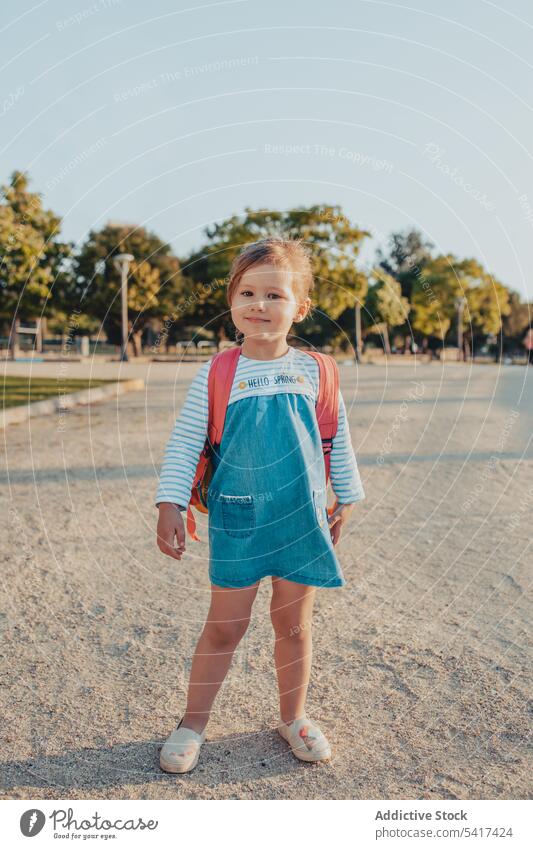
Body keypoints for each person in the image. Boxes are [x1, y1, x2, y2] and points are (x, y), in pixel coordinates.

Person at [155, 238, 366, 773]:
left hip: (300, 517)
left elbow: (337, 437)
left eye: (275, 294)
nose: (259, 304)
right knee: (224, 625)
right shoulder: (219, 372)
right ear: (231, 300)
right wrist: (170, 502)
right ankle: (192, 723)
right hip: (238, 517)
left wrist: (346, 498)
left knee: (293, 625)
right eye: (247, 291)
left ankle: (293, 717)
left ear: (300, 307)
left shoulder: (318, 371)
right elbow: (185, 442)